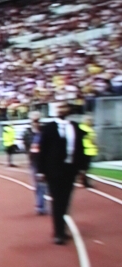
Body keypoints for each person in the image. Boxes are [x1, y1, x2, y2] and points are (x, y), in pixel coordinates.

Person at [37, 101, 88, 245]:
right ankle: (58, 233)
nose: (60, 109)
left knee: (65, 201)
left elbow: (80, 149)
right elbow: (42, 151)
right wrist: (41, 171)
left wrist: (82, 168)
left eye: (63, 107)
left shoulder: (75, 127)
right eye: (58, 107)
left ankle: (62, 229)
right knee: (57, 201)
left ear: (69, 110)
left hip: (70, 170)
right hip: (53, 171)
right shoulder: (49, 128)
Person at [23, 112, 48, 215]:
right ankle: (40, 206)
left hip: (46, 161)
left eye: (37, 120)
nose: (35, 123)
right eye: (33, 121)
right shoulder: (27, 133)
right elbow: (26, 145)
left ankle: (50, 203)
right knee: (38, 185)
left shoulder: (45, 131)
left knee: (47, 185)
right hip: (34, 161)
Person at [79, 115, 97, 187]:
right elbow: (93, 140)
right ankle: (84, 180)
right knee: (85, 167)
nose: (91, 121)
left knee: (84, 166)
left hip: (84, 150)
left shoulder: (81, 127)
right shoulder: (88, 129)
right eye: (89, 120)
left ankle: (83, 178)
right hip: (87, 150)